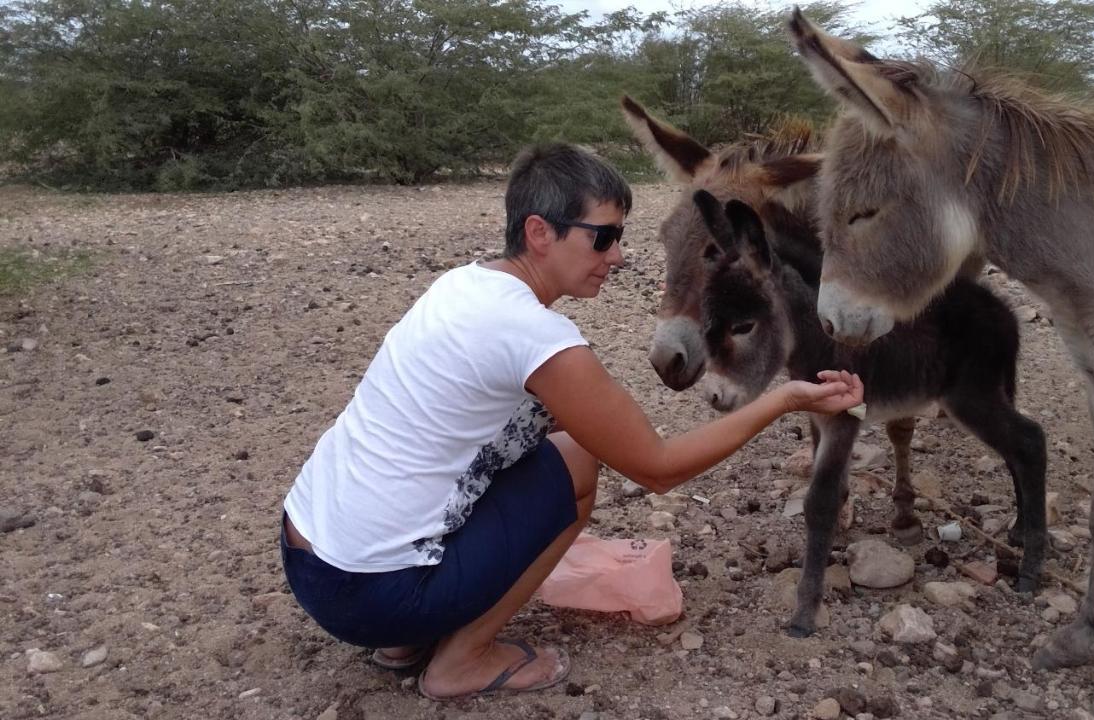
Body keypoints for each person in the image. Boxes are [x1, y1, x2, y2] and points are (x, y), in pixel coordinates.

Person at [279, 143, 864, 701]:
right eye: (602, 237)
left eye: (621, 237)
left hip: (308, 555)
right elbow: (657, 470)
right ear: (540, 232)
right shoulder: (536, 335)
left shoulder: (462, 285)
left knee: (551, 442)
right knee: (578, 463)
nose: (618, 256)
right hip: (369, 593)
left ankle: (403, 644)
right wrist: (783, 399)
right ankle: (461, 661)